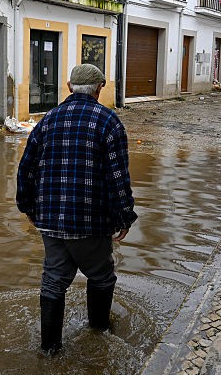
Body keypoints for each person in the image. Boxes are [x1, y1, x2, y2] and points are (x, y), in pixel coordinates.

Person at [16, 63, 138, 355]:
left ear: (69, 87)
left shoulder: (47, 120)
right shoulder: (109, 121)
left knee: (54, 281)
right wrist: (125, 216)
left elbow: (26, 170)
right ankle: (99, 333)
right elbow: (118, 178)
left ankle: (49, 350)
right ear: (100, 88)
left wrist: (28, 208)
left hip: (50, 221)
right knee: (101, 276)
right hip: (91, 223)